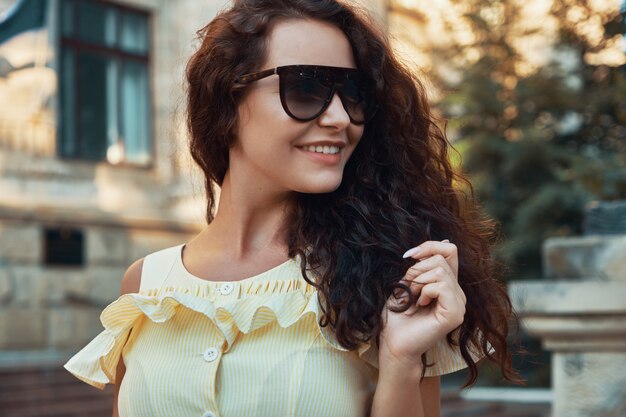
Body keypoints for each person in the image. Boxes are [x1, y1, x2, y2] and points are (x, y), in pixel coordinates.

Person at [65, 0, 521, 416]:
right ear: (228, 99)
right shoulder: (145, 285)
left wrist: (401, 361)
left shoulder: (383, 278)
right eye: (305, 87)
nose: (340, 118)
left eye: (354, 93)